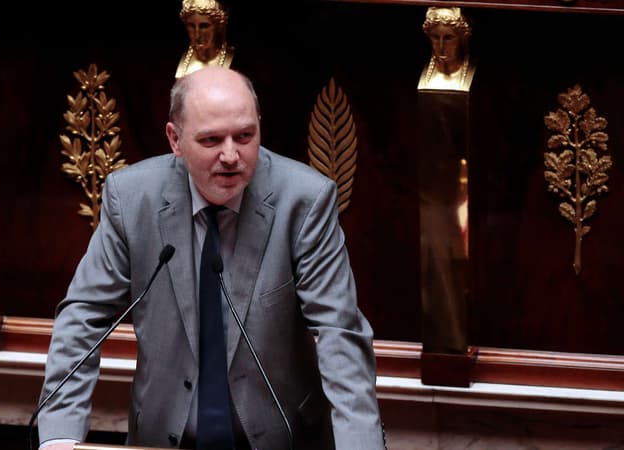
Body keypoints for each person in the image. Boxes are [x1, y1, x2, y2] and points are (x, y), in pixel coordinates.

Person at [37, 67, 385, 450]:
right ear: (175, 139)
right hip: (162, 440)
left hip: (280, 439)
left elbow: (340, 333)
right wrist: (59, 434)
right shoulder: (132, 198)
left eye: (245, 136)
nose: (232, 156)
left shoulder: (305, 201)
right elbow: (83, 316)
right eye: (211, 140)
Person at [417, 7, 475, 92]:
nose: (441, 46)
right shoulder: (420, 71)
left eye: (448, 38)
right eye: (435, 37)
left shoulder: (473, 71)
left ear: (462, 38)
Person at [175, 0, 235, 78]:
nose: (197, 35)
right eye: (191, 26)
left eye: (204, 26)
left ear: (219, 26)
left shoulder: (230, 59)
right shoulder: (181, 60)